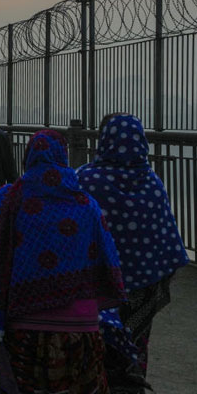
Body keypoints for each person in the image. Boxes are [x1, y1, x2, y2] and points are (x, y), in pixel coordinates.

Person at [0, 129, 126, 394]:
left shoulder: (5, 200)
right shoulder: (86, 204)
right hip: (81, 329)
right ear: (63, 156)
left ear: (28, 158)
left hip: (24, 329)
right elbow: (107, 263)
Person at [77, 114, 191, 391]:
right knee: (137, 345)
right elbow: (166, 242)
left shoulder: (85, 181)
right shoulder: (152, 184)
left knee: (93, 351)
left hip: (97, 292)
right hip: (141, 291)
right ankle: (132, 381)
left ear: (104, 141)